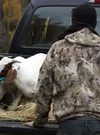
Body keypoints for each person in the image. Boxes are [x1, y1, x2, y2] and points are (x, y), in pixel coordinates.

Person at [24, 3, 100, 135]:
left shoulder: (58, 48)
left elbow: (44, 85)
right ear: (94, 23)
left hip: (69, 125)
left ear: (73, 21)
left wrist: (39, 121)